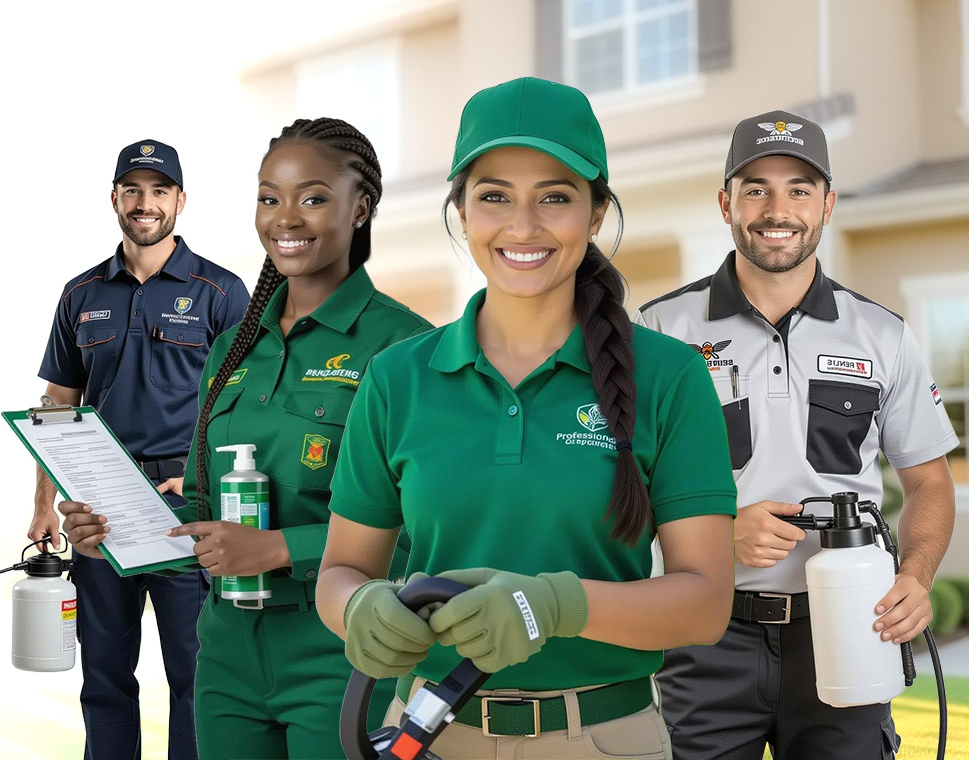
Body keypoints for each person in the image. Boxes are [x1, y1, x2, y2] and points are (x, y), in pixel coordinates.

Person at [316, 77, 737, 759]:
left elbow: (705, 603)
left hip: (603, 739)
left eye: (555, 197)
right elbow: (341, 573)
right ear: (462, 212)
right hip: (429, 735)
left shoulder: (669, 377)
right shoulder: (397, 380)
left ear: (596, 213)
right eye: (494, 197)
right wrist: (359, 608)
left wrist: (555, 605)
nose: (522, 226)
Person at [61, 118, 433, 760]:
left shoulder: (405, 348)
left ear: (361, 207)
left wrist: (281, 547)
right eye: (270, 198)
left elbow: (434, 534)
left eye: (314, 197)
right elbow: (207, 508)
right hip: (226, 654)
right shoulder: (234, 348)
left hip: (340, 648)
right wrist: (114, 527)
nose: (286, 217)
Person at [637, 111, 958, 759]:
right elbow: (614, 485)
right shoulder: (658, 331)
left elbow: (928, 482)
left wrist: (917, 577)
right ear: (726, 203)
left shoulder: (883, 334)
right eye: (755, 188)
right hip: (706, 630)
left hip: (850, 626)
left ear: (828, 205)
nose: (776, 208)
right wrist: (716, 534)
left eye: (800, 189)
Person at [31, 139, 249, 760]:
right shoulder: (80, 294)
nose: (145, 203)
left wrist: (208, 484)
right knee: (102, 675)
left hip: (186, 508)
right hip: (96, 507)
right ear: (115, 199)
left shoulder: (221, 292)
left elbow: (248, 404)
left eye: (159, 191)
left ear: (180, 201)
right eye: (133, 190)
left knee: (195, 674)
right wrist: (46, 503)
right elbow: (57, 404)